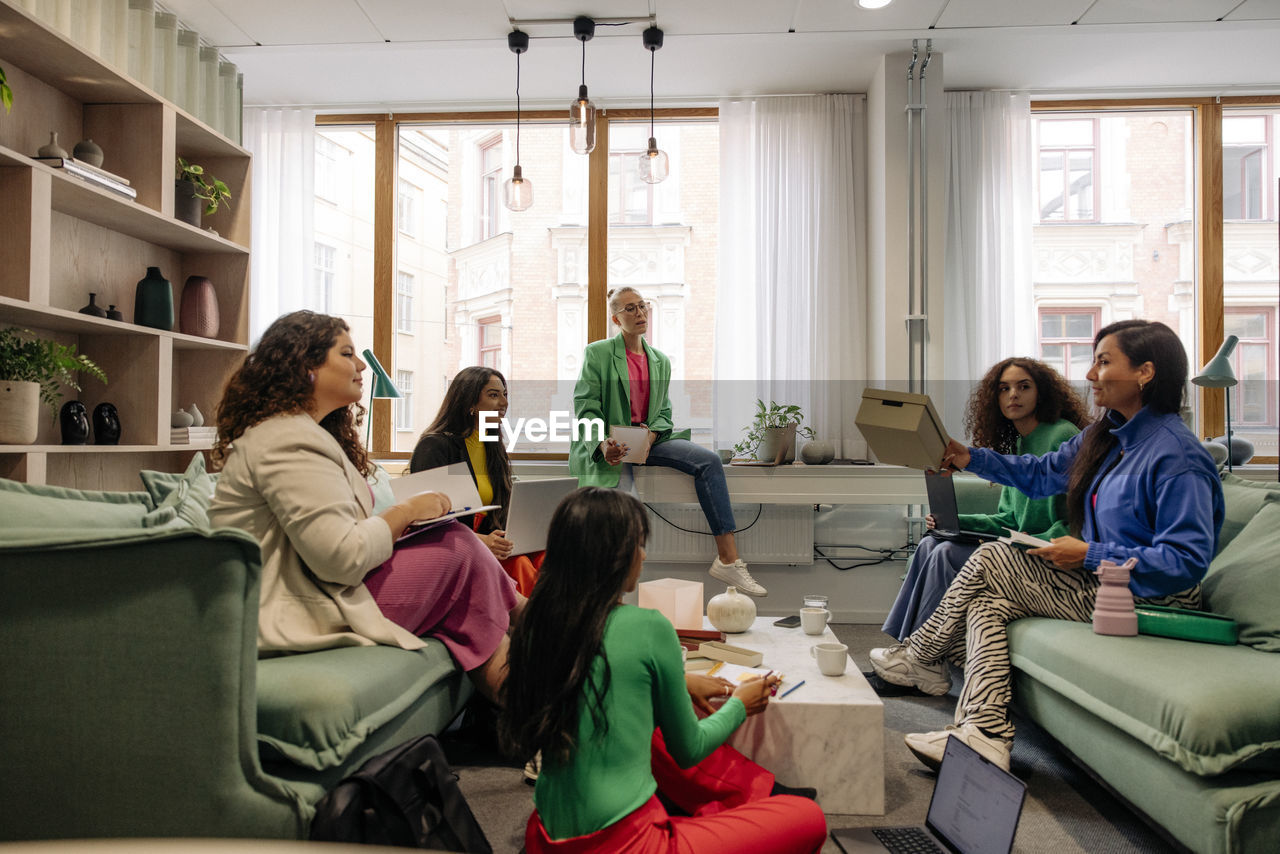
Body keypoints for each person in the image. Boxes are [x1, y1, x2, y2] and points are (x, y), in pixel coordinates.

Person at [870, 320, 1224, 771]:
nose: (1091, 375)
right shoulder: (1107, 436)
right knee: (987, 605)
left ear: (1145, 373)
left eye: (1103, 361)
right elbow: (1041, 473)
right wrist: (969, 457)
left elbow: (1185, 561)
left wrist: (1090, 553)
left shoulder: (1177, 454)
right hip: (1102, 581)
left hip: (1154, 593)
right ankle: (984, 735)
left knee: (994, 557)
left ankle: (921, 656)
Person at [208, 311, 521, 703]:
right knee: (458, 550)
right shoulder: (286, 440)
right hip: (299, 605)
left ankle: (531, 713)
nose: (361, 365)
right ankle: (532, 623)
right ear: (305, 367)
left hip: (323, 585)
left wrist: (406, 524)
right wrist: (405, 513)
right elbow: (342, 557)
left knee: (457, 549)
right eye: (347, 354)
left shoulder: (305, 435)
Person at [499, 487, 827, 854]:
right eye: (639, 545)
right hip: (629, 843)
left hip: (544, 838)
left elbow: (595, 673)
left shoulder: (537, 625)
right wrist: (741, 704)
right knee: (806, 816)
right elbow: (689, 750)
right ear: (616, 557)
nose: (643, 555)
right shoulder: (649, 626)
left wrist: (680, 681)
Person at [570, 286, 767, 597]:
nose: (640, 313)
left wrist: (650, 434)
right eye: (630, 309)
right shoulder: (598, 353)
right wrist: (603, 443)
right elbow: (586, 407)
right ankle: (609, 595)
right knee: (624, 521)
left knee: (709, 461)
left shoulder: (659, 361)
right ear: (616, 318)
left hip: (647, 442)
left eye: (642, 306)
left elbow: (663, 413)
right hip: (613, 447)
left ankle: (728, 559)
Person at [882, 357, 1090, 643]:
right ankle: (904, 643)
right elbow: (1008, 520)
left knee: (945, 554)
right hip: (1018, 543)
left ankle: (924, 655)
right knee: (931, 542)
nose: (1013, 395)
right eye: (1004, 389)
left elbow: (1074, 521)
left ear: (1043, 392)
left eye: (1024, 387)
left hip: (1047, 549)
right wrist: (954, 522)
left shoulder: (1062, 434)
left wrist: (1029, 539)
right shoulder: (1019, 443)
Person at [410, 366, 543, 597]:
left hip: (486, 543)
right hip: (450, 546)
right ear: (469, 403)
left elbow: (496, 510)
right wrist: (482, 540)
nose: (504, 402)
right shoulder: (436, 446)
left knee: (548, 556)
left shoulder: (491, 443)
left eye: (505, 394)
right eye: (493, 395)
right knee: (519, 564)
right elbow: (427, 519)